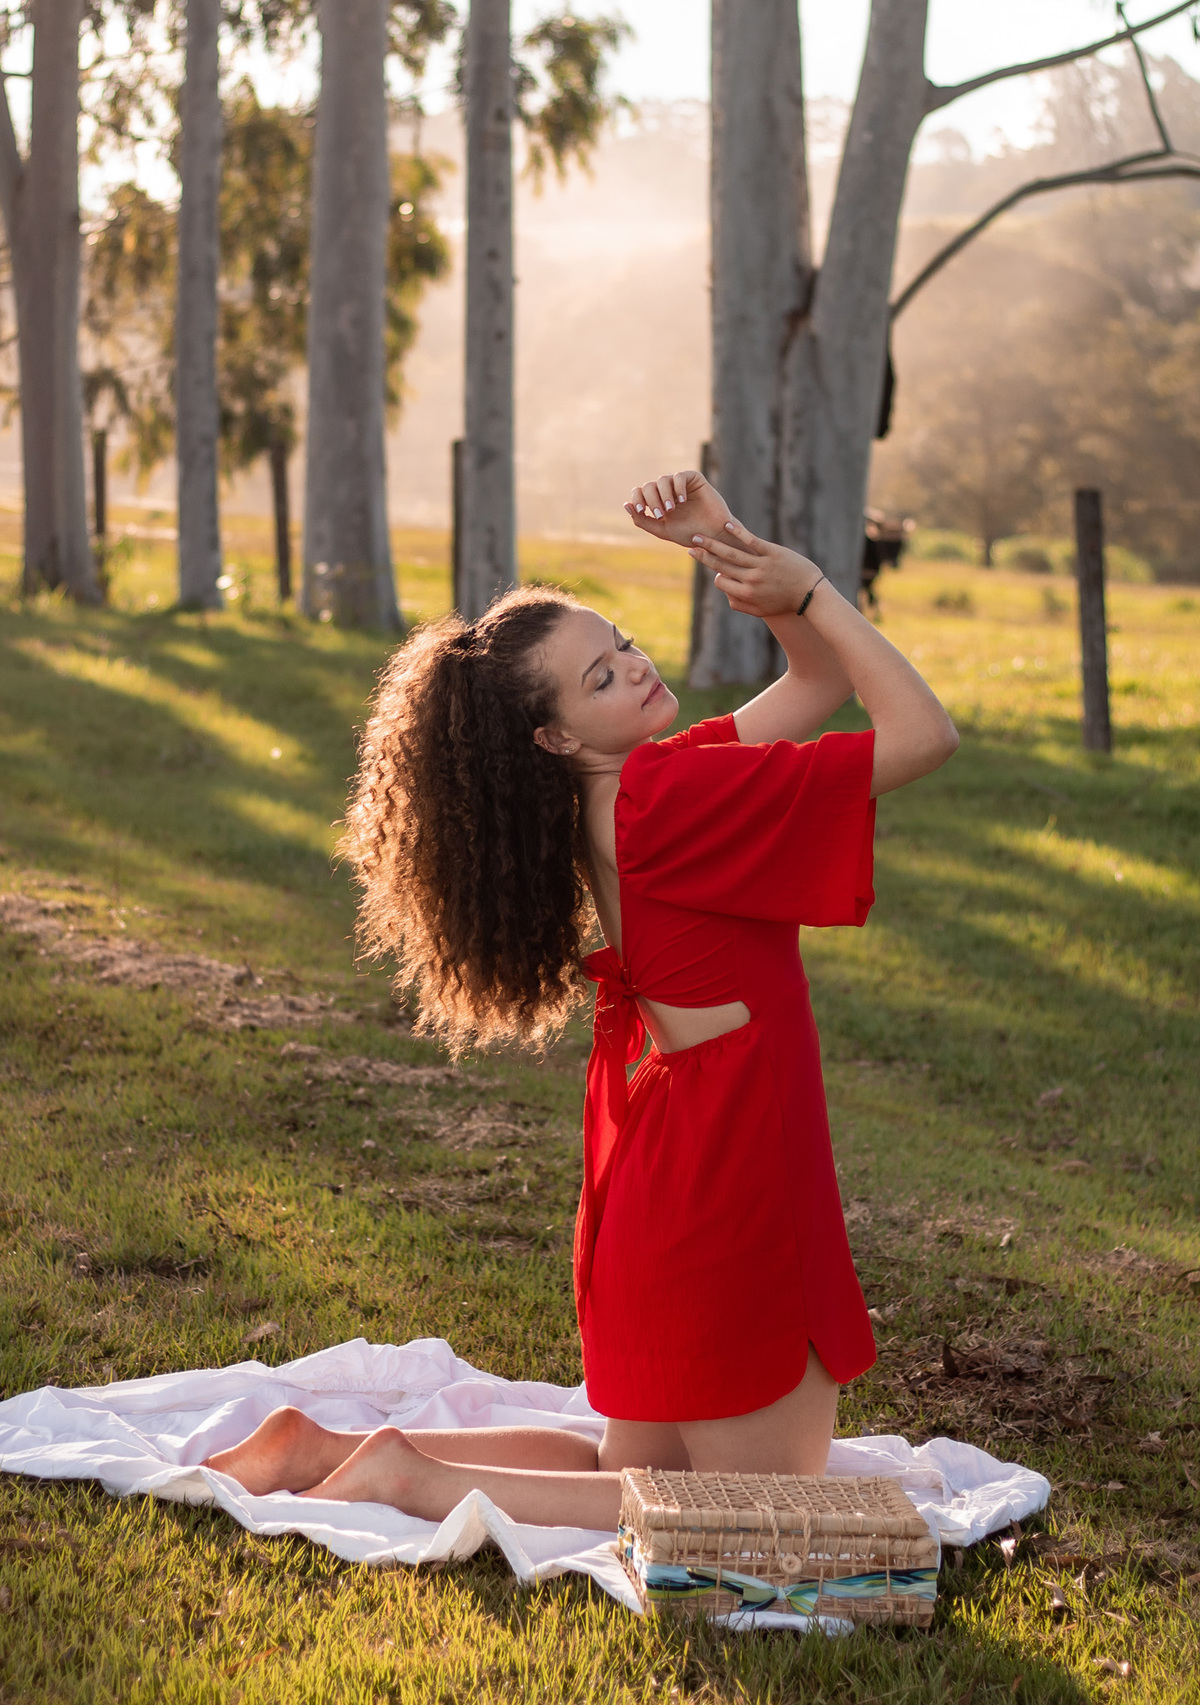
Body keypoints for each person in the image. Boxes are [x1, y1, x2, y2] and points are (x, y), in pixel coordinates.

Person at [205, 469, 958, 1530]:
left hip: (667, 1161)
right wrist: (816, 589)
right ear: (555, 738)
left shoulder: (641, 784)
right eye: (601, 677)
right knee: (756, 1506)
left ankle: (324, 1448)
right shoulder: (676, 797)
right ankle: (411, 1480)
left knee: (622, 1460)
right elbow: (924, 734)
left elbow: (820, 679)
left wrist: (733, 548)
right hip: (731, 1166)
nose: (636, 669)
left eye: (624, 645)